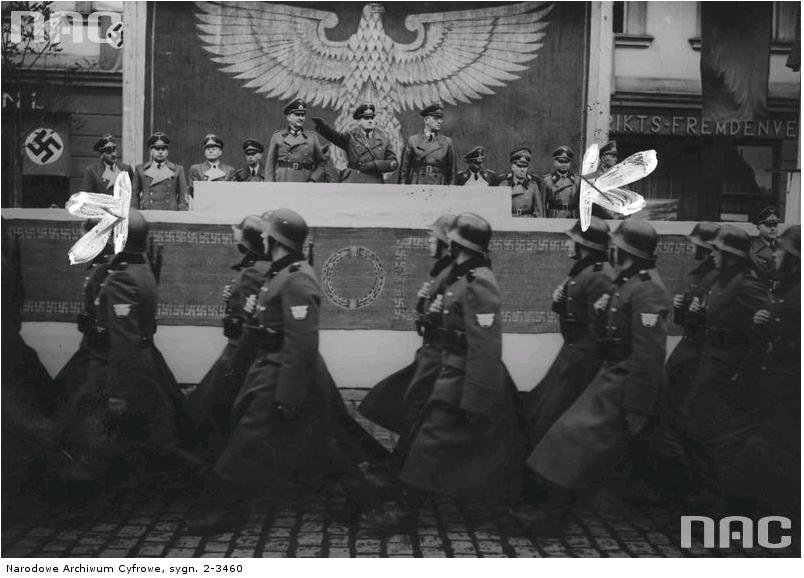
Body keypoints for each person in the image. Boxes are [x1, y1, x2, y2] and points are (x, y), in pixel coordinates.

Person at [186, 209, 380, 532]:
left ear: (276, 239)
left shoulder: (297, 277)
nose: (261, 237)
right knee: (321, 442)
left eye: (266, 232)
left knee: (248, 440)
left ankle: (227, 509)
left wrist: (288, 396)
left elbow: (302, 343)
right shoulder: (280, 274)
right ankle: (364, 501)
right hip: (272, 367)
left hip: (284, 372)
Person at [373, 213, 526, 530]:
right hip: (450, 370)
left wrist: (476, 397)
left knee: (432, 441)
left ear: (457, 244)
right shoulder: (461, 277)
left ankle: (406, 511)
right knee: (432, 439)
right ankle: (407, 498)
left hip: (464, 376)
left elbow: (485, 347)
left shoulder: (479, 281)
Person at [520, 220, 670, 533]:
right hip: (613, 373)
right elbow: (606, 336)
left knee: (574, 438)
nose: (609, 250)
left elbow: (649, 354)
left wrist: (638, 405)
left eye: (615, 246)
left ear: (626, 251)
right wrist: (601, 315)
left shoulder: (647, 288)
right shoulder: (627, 283)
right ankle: (553, 509)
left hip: (627, 380)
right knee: (582, 440)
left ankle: (551, 515)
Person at [59, 210, 198, 488]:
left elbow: (124, 342)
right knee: (145, 434)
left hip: (113, 367)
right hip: (123, 363)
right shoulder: (136, 267)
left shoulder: (122, 277)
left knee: (118, 436)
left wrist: (118, 392)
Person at [673, 224, 771, 513]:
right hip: (711, 361)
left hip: (728, 367)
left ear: (731, 255)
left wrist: (745, 370)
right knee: (694, 423)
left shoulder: (747, 285)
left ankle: (718, 500)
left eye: (717, 250)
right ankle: (708, 492)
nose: (712, 254)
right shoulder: (722, 281)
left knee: (713, 433)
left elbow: (766, 329)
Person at [518, 218, 614, 478]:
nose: (568, 245)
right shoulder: (584, 271)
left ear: (585, 245)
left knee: (555, 416)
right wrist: (559, 303)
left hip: (585, 358)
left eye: (572, 241)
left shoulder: (599, 274)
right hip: (573, 352)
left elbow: (601, 325)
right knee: (544, 410)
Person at [358, 214, 456, 468]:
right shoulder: (443, 271)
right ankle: (401, 463)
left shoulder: (451, 273)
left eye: (433, 238)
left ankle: (401, 466)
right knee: (407, 405)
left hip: (439, 358)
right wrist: (423, 302)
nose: (429, 242)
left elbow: (444, 317)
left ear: (446, 241)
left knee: (416, 410)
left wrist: (427, 310)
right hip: (430, 354)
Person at [645, 222, 721, 497]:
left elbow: (711, 320)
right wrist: (682, 309)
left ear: (708, 248)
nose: (693, 248)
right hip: (688, 350)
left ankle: (687, 484)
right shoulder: (702, 274)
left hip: (697, 354)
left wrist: (693, 313)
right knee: (670, 412)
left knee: (680, 417)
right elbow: (689, 318)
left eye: (697, 244)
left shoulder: (714, 277)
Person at [186, 215, 271, 456]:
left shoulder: (252, 272)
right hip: (245, 347)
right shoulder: (258, 268)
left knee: (215, 404)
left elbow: (248, 317)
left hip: (240, 349)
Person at [312, 103, 398, 183]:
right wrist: (323, 127)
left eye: (372, 118)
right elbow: (336, 137)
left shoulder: (384, 139)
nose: (370, 121)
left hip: (374, 180)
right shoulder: (351, 136)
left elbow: (393, 162)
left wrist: (376, 165)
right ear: (359, 121)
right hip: (354, 179)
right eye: (366, 118)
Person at [265, 99, 326, 182]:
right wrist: (269, 185)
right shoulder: (278, 137)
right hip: (283, 180)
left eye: (303, 115)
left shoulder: (312, 137)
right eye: (297, 115)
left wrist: (313, 180)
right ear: (288, 117)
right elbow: (270, 165)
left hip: (305, 181)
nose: (300, 118)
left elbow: (321, 163)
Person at [398, 104, 456, 185]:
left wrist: (451, 190)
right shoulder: (413, 140)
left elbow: (452, 173)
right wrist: (402, 189)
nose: (439, 122)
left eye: (441, 119)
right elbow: (404, 172)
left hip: (439, 184)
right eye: (435, 118)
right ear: (426, 120)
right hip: (417, 183)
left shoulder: (447, 142)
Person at [132, 132, 190, 210]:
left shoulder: (178, 170)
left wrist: (182, 213)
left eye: (163, 149)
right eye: (156, 149)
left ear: (167, 151)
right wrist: (134, 212)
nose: (160, 152)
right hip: (147, 212)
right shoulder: (140, 170)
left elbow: (183, 197)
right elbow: (134, 197)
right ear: (150, 151)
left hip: (170, 213)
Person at [496, 147, 546, 217]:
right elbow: (498, 210)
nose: (522, 169)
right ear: (512, 167)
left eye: (525, 166)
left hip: (527, 221)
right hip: (510, 220)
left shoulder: (533, 186)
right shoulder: (504, 185)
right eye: (519, 166)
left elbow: (539, 212)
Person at [541, 146, 580, 218]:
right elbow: (543, 203)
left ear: (570, 163)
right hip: (554, 215)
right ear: (555, 162)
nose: (564, 164)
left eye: (566, 162)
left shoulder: (577, 180)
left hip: (572, 215)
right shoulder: (547, 180)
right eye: (561, 161)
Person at [750, 206, 781, 287]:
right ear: (758, 227)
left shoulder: (783, 247)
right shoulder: (752, 249)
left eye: (775, 225)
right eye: (768, 225)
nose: (773, 228)